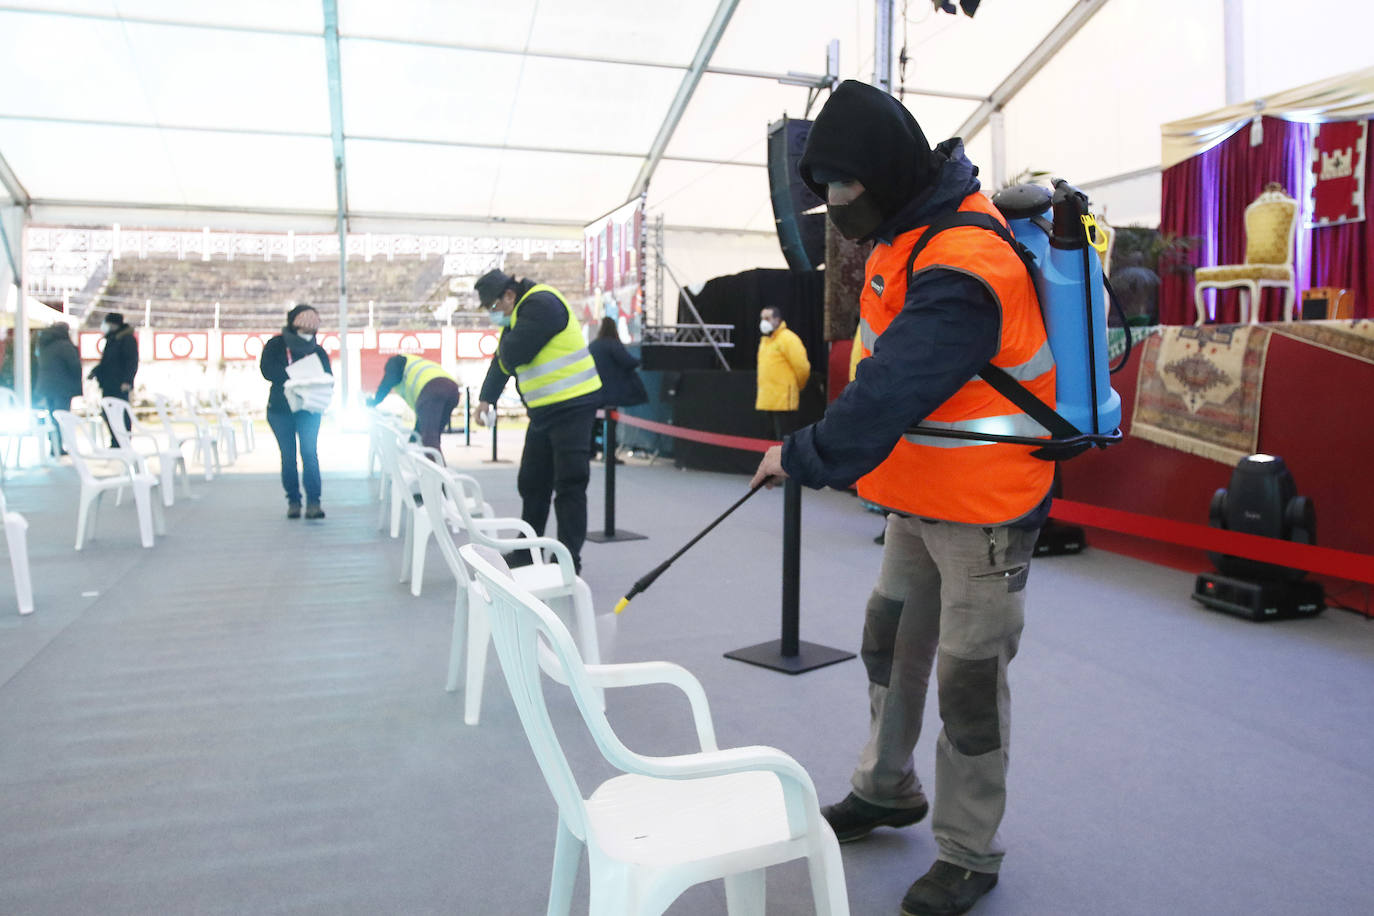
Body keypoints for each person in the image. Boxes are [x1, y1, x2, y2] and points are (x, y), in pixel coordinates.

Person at [750, 80, 1055, 916]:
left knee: (967, 679)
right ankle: (886, 788)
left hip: (984, 512)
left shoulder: (968, 261)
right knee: (890, 644)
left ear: (883, 169)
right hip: (916, 500)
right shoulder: (902, 231)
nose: (836, 205)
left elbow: (892, 390)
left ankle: (968, 850)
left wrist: (802, 454)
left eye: (843, 187)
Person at [474, 268, 602, 573]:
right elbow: (502, 357)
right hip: (544, 412)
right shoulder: (518, 314)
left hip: (573, 405)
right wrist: (486, 398)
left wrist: (505, 349)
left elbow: (513, 353)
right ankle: (527, 551)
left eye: (494, 307)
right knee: (532, 483)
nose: (494, 315)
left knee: (569, 484)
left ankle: (567, 561)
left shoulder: (542, 303)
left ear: (509, 295)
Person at [259, 304, 331, 519]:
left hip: (309, 410)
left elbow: (327, 377)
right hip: (280, 410)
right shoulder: (276, 345)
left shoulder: (318, 350)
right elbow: (267, 370)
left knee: (309, 454)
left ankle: (314, 502)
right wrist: (295, 377)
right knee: (288, 457)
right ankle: (293, 501)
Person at [366, 353, 460, 457]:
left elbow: (386, 383)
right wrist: (413, 438)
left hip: (431, 389)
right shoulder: (414, 363)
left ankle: (436, 470)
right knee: (433, 435)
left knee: (429, 437)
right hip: (452, 389)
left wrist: (375, 401)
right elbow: (422, 418)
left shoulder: (395, 362)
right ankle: (436, 465)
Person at [587, 316, 647, 459]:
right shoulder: (613, 344)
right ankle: (609, 456)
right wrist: (643, 361)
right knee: (610, 424)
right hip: (611, 392)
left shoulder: (593, 345)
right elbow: (627, 361)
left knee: (593, 423)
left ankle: (590, 451)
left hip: (595, 390)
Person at [755, 305, 810, 440]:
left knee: (784, 443)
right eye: (762, 318)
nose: (764, 321)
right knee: (768, 444)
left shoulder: (789, 339)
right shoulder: (765, 341)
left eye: (767, 318)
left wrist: (798, 387)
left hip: (784, 403)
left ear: (777, 319)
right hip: (766, 401)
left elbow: (802, 367)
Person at [88, 311, 138, 446]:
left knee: (121, 413)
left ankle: (123, 440)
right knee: (107, 413)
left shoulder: (127, 339)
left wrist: (127, 381)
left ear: (113, 324)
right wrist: (96, 371)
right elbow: (107, 362)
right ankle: (115, 440)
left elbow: (131, 362)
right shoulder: (112, 339)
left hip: (119, 384)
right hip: (108, 384)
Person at [35, 322, 82, 455]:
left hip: (46, 387)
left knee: (52, 417)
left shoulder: (44, 344)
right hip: (62, 389)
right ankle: (59, 446)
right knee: (62, 418)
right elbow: (74, 366)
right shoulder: (64, 346)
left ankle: (54, 445)